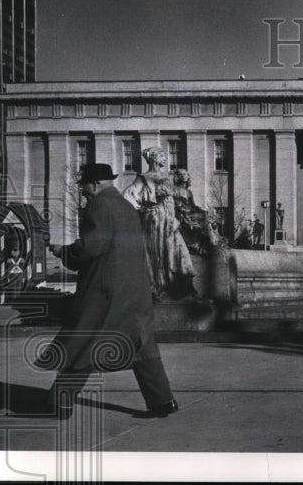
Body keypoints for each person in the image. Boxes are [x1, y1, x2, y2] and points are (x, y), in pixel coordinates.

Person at [44, 163, 178, 420]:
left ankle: (58, 404)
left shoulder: (99, 206)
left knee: (82, 341)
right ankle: (163, 402)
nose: (82, 191)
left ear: (94, 184)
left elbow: (91, 248)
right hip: (135, 290)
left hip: (105, 292)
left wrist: (64, 251)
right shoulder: (126, 207)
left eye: (83, 185)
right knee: (142, 347)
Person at [123, 147, 195, 299]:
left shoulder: (167, 177)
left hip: (170, 219)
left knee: (179, 251)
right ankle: (161, 287)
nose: (165, 158)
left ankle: (178, 287)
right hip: (155, 218)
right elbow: (128, 196)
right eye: (162, 156)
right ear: (154, 158)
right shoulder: (143, 178)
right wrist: (145, 205)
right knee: (158, 253)